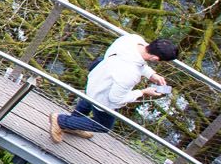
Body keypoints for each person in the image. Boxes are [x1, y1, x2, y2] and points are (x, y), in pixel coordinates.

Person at [49, 34, 179, 142]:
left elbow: (138, 61)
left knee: (89, 98)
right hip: (103, 92)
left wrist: (151, 74)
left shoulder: (132, 39)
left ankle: (72, 124)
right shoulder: (130, 74)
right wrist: (143, 92)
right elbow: (116, 99)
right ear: (155, 58)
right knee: (103, 125)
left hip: (98, 75)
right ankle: (61, 121)